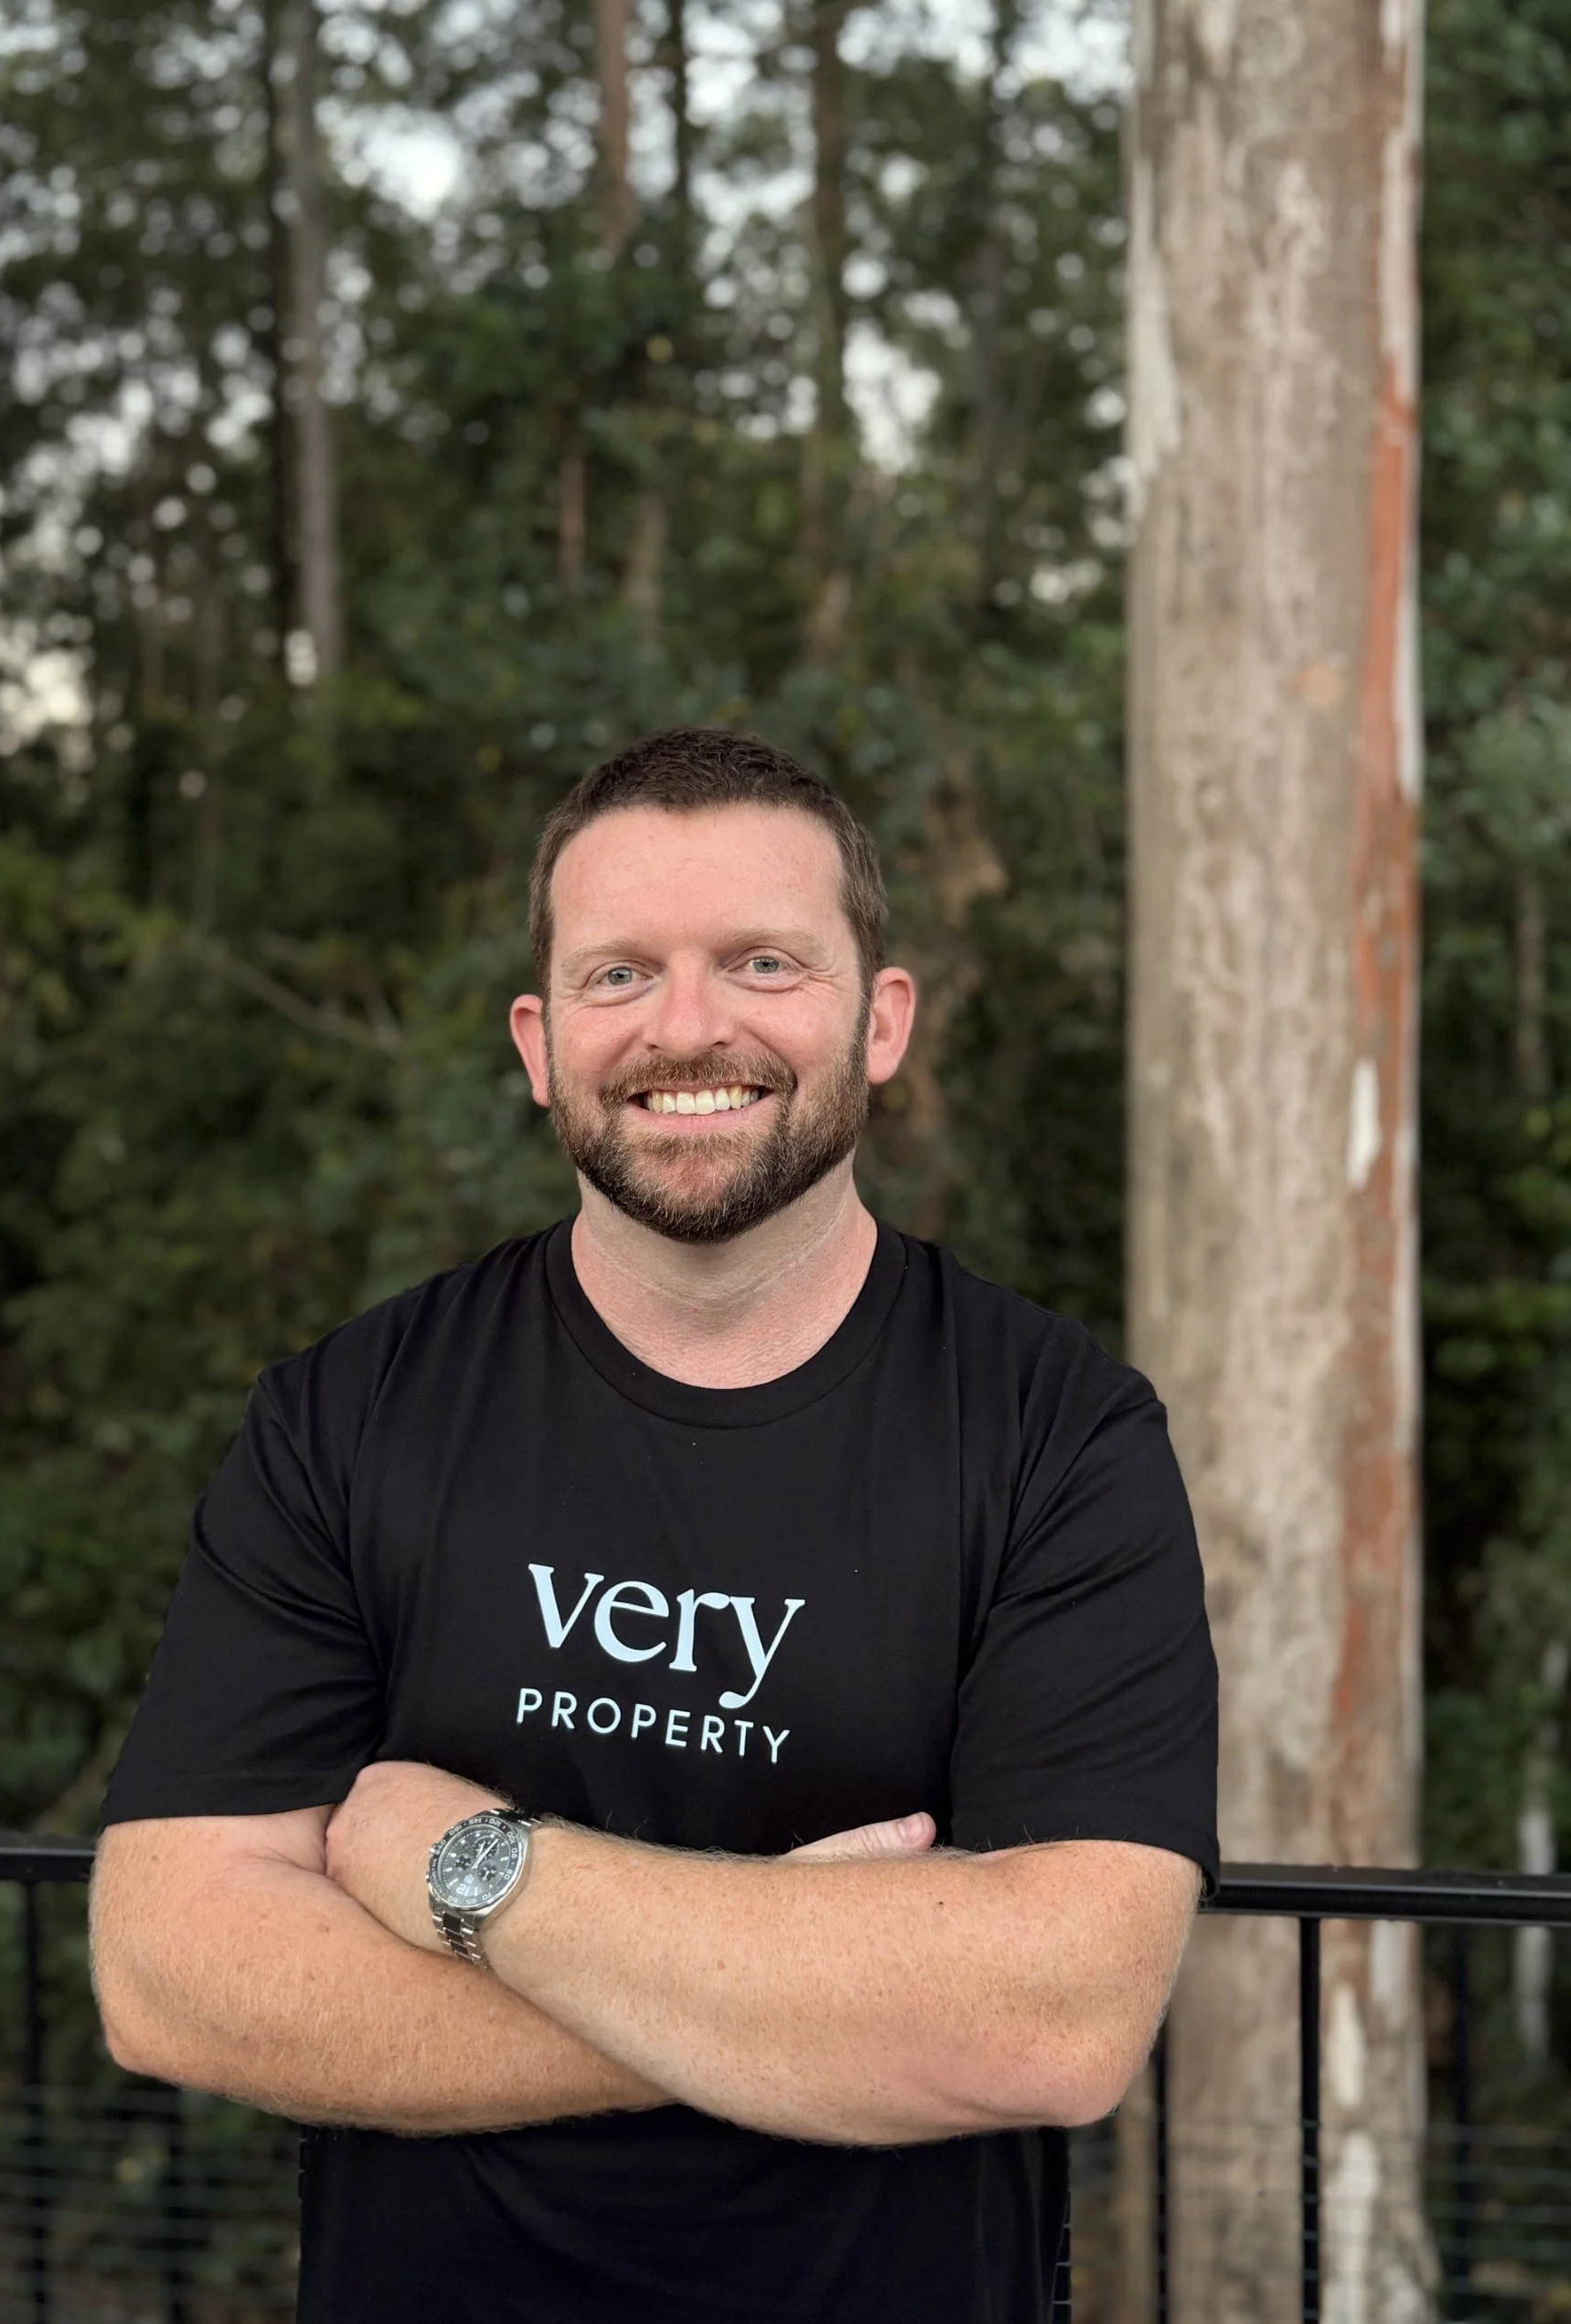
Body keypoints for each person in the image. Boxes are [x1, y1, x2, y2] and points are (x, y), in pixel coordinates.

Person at [91, 726, 1218, 2324]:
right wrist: (792, 2001)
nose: (688, 1028)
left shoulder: (1060, 1436)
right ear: (539, 1041)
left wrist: (466, 1868)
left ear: (881, 1019)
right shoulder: (348, 1415)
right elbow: (170, 1974)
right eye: (620, 975)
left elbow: (1054, 2021)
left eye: (762, 962)